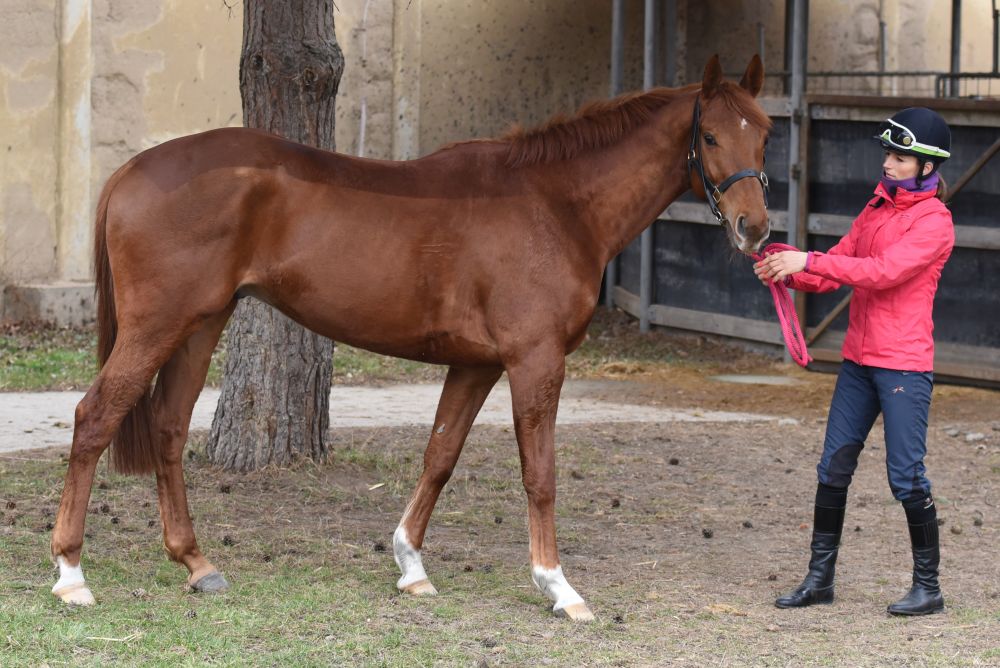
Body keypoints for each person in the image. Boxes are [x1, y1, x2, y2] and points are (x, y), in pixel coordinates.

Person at [754, 107, 954, 616]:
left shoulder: (934, 222)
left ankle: (927, 587)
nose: (888, 162)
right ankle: (820, 580)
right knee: (832, 467)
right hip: (859, 362)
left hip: (903, 364)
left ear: (926, 165)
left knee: (905, 477)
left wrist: (810, 260)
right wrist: (787, 269)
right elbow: (837, 266)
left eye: (900, 155)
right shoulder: (876, 209)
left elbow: (883, 272)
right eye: (887, 153)